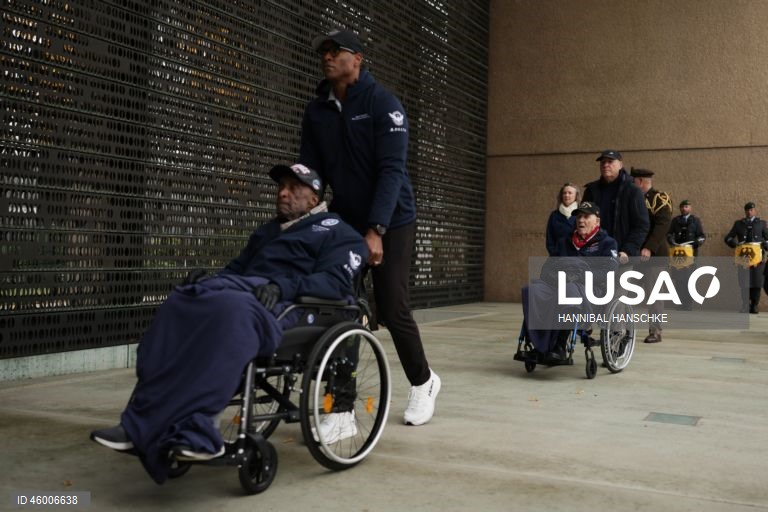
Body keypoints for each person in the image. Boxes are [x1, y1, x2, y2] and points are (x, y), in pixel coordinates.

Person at [90, 163, 368, 483]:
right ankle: (139, 423)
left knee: (232, 312)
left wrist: (282, 287)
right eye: (281, 186)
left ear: (314, 195)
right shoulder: (267, 231)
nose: (282, 192)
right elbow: (236, 270)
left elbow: (334, 283)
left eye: (293, 187)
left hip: (294, 306)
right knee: (183, 301)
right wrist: (210, 279)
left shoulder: (339, 232)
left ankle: (199, 430)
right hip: (246, 293)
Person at [299, 28, 440, 426]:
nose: (326, 57)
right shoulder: (317, 111)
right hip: (346, 218)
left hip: (392, 218)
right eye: (322, 51)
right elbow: (311, 172)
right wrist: (304, 216)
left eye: (335, 50)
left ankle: (424, 381)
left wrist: (376, 229)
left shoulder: (383, 104)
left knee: (392, 308)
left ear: (357, 58)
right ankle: (340, 408)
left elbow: (392, 171)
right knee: (341, 307)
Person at [521, 201, 619, 362]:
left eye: (586, 216)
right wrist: (555, 277)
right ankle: (539, 346)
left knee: (569, 290)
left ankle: (559, 346)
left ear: (597, 221)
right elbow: (546, 270)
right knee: (532, 291)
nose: (581, 220)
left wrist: (579, 277)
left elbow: (609, 272)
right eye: (579, 216)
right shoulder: (564, 242)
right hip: (560, 285)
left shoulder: (607, 243)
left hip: (592, 289)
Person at [582, 150, 650, 263]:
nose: (605, 165)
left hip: (621, 256)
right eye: (603, 162)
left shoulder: (632, 190)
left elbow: (641, 225)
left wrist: (628, 251)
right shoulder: (591, 190)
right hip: (593, 256)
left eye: (610, 161)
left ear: (620, 165)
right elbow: (581, 219)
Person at [630, 168, 672, 343]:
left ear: (640, 181)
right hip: (633, 252)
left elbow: (662, 225)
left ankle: (655, 331)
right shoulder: (632, 199)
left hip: (654, 255)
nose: (631, 184)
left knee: (655, 295)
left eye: (633, 181)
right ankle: (621, 329)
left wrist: (649, 247)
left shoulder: (659, 199)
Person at [725, 202, 768, 313]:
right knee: (744, 282)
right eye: (747, 210)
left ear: (755, 211)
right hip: (743, 258)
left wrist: (765, 244)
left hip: (757, 259)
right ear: (745, 211)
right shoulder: (738, 224)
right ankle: (745, 305)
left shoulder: (762, 223)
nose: (749, 212)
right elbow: (728, 238)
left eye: (751, 210)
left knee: (756, 282)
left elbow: (767, 238)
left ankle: (754, 305)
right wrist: (735, 245)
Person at [666, 199, 706, 310]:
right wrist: (672, 241)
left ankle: (688, 303)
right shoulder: (675, 221)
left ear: (690, 208)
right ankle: (679, 303)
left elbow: (701, 236)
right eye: (682, 207)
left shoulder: (696, 221)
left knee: (689, 279)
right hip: (678, 254)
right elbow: (669, 234)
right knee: (678, 279)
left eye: (686, 206)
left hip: (691, 254)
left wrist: (697, 243)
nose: (684, 209)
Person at [545, 183, 580, 256]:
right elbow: (550, 237)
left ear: (576, 196)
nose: (567, 195)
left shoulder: (581, 214)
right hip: (558, 257)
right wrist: (554, 253)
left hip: (577, 257)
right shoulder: (554, 215)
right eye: (564, 193)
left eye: (570, 193)